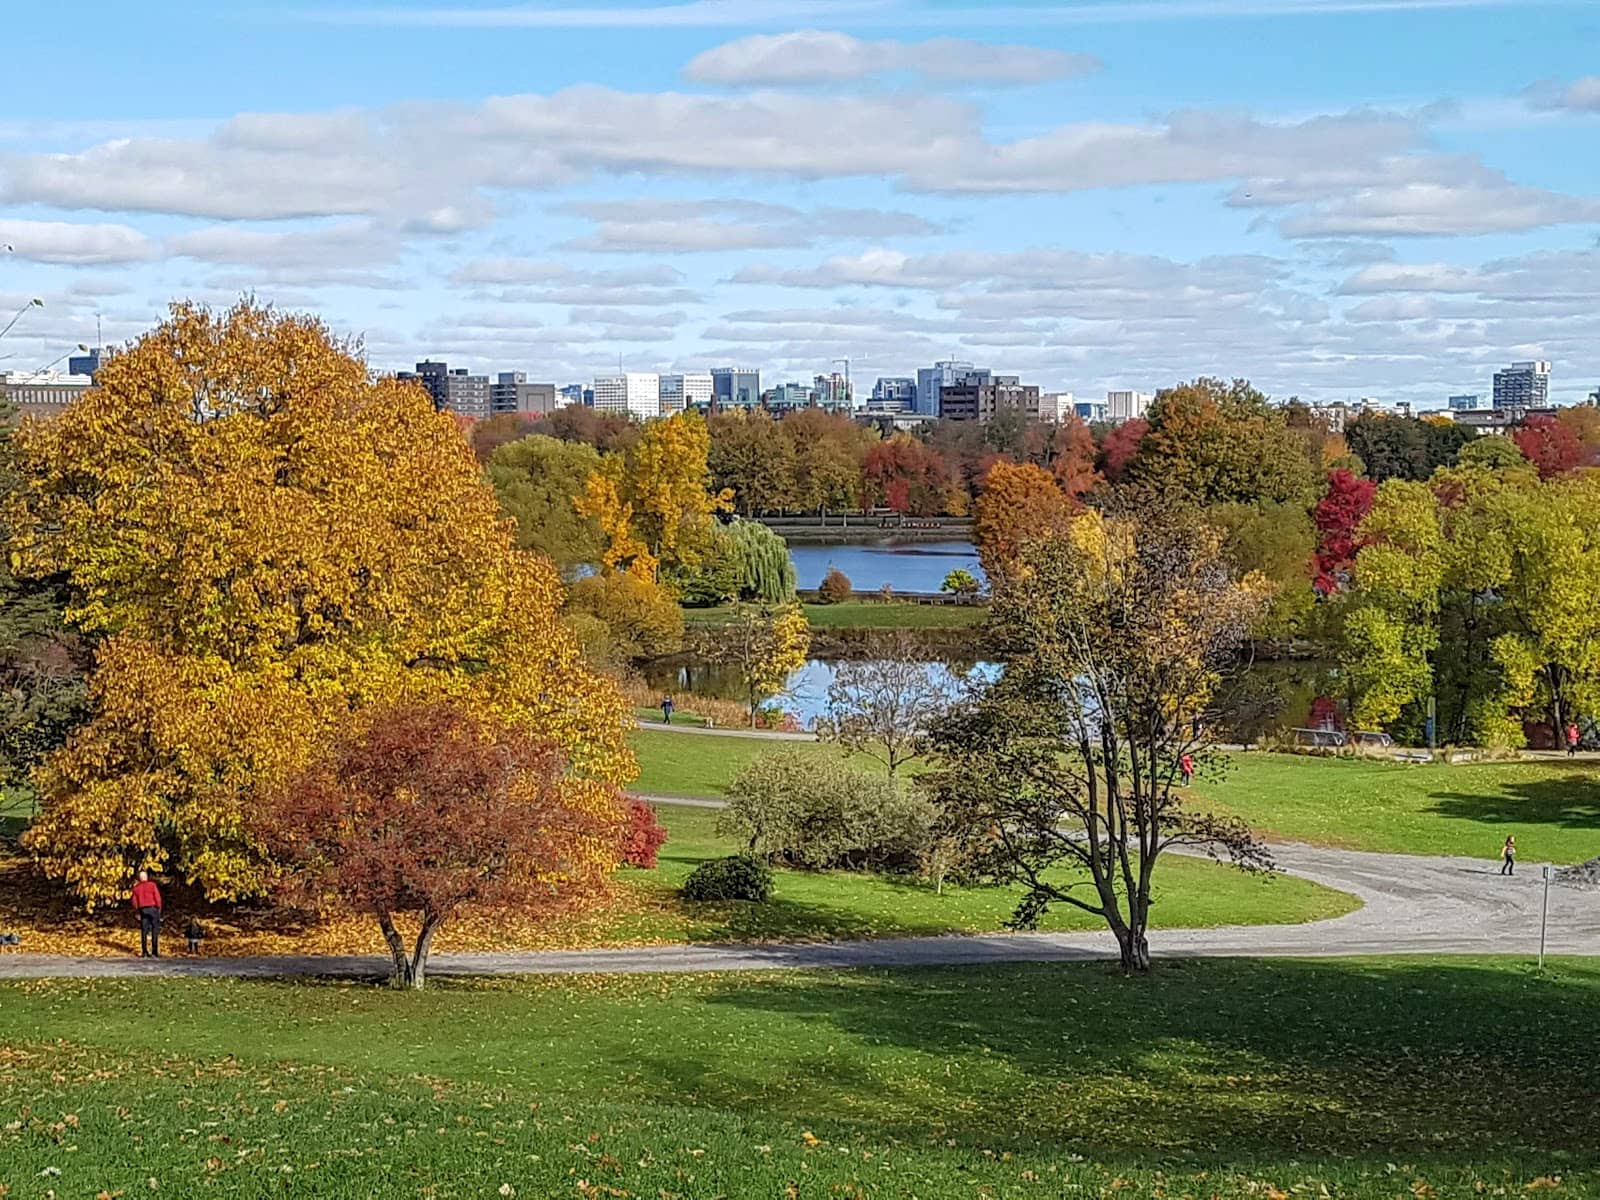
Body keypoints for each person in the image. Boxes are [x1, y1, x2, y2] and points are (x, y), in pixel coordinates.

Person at [131, 869, 163, 958]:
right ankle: (154, 952)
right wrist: (159, 908)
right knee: (154, 930)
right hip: (153, 908)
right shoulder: (152, 885)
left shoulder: (136, 888)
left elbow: (134, 902)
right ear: (146, 877)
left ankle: (144, 951)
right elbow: (157, 897)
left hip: (143, 910)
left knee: (144, 931)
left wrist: (138, 910)